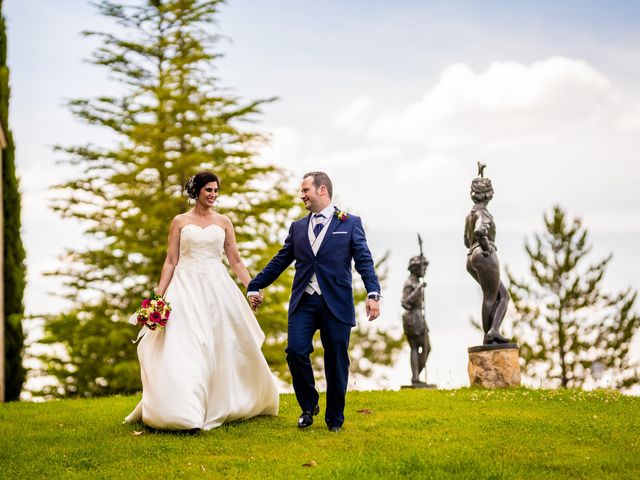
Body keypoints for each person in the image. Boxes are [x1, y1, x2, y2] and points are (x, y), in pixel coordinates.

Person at [124, 171, 279, 430]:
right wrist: (158, 298)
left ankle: (222, 401)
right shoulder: (179, 222)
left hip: (217, 288)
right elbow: (171, 261)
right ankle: (185, 410)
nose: (213, 195)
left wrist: (253, 287)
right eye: (209, 190)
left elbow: (235, 260)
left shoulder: (224, 222)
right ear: (197, 192)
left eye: (216, 191)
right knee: (185, 345)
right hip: (184, 287)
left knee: (221, 344)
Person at [247, 171, 381, 432]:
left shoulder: (350, 223)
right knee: (295, 352)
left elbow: (364, 261)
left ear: (322, 190)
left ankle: (335, 420)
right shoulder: (297, 227)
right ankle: (309, 406)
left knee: (336, 362)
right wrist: (256, 283)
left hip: (336, 302)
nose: (302, 195)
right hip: (303, 302)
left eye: (305, 190)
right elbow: (281, 259)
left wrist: (373, 293)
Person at [464, 164, 510, 345]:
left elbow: (466, 240)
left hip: (471, 256)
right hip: (484, 254)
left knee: (500, 294)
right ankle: (490, 334)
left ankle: (492, 331)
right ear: (488, 194)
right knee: (495, 296)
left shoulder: (470, 214)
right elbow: (480, 232)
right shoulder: (483, 214)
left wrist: (476, 246)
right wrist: (487, 248)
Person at [401, 255, 431, 385]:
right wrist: (418, 289)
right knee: (417, 346)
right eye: (422, 266)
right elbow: (405, 302)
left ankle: (416, 376)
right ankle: (415, 377)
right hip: (412, 317)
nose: (424, 269)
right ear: (414, 268)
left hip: (418, 316)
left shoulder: (416, 282)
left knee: (426, 347)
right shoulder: (410, 283)